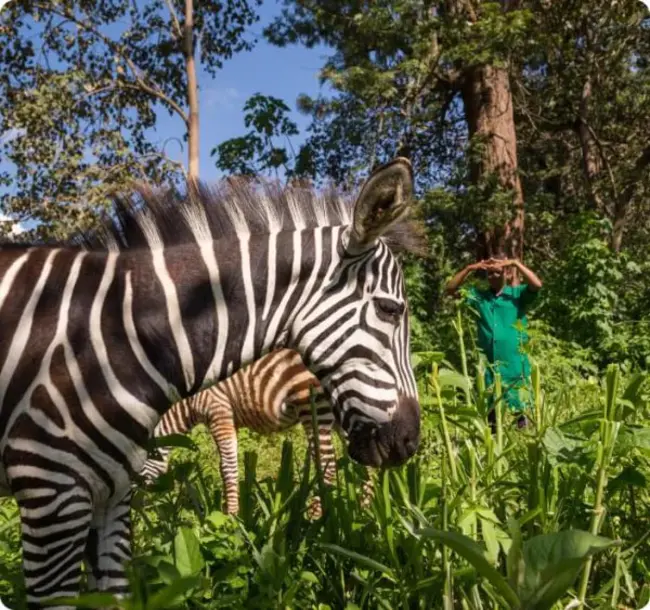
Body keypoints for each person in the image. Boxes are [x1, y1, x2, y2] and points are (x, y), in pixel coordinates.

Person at [446, 255, 543, 429]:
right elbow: (451, 289)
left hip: (514, 362)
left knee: (519, 410)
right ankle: (492, 443)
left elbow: (536, 285)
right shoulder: (479, 297)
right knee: (491, 413)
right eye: (490, 274)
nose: (493, 277)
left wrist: (515, 263)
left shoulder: (516, 294)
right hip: (489, 364)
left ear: (506, 273)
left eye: (498, 273)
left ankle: (522, 440)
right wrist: (469, 268)